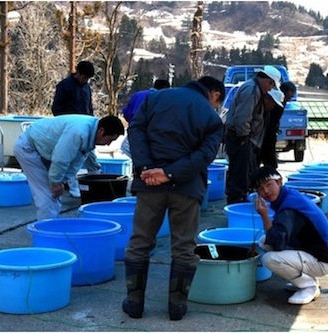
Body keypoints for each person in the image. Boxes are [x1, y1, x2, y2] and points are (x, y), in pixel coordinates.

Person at [122, 76, 225, 321]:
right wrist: (170, 173)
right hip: (186, 188)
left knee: (140, 242)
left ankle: (134, 303)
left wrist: (148, 168)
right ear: (215, 94)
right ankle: (177, 307)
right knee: (183, 247)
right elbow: (205, 156)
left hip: (148, 184)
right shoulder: (211, 116)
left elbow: (135, 130)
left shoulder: (155, 97)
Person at [251, 166, 328, 305]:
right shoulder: (287, 196)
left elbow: (277, 244)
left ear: (279, 181)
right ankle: (306, 279)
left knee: (270, 259)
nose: (266, 191)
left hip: (322, 260)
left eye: (269, 185)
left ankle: (309, 287)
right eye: (260, 189)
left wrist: (264, 215)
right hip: (316, 252)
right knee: (264, 241)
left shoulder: (289, 208)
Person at [13, 115, 124, 220]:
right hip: (28, 148)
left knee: (54, 195)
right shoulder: (79, 132)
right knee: (47, 195)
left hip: (43, 150)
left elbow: (77, 161)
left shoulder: (90, 132)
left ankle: (52, 226)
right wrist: (55, 182)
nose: (109, 144)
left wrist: (61, 181)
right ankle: (47, 232)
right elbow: (61, 158)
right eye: (110, 140)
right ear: (101, 131)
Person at [224, 65, 282, 205]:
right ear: (267, 81)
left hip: (244, 138)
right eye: (271, 86)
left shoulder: (255, 89)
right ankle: (236, 203)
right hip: (240, 138)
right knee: (239, 175)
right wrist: (244, 138)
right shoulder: (251, 90)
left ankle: (239, 199)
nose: (269, 89)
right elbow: (243, 117)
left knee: (244, 173)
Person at [51, 60, 101, 198]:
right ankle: (73, 187)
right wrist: (67, 123)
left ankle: (97, 182)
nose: (85, 81)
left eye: (88, 79)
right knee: (71, 159)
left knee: (91, 157)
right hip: (70, 129)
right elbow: (56, 108)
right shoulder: (64, 86)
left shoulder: (86, 88)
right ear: (77, 73)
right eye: (84, 77)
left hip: (88, 129)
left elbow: (89, 107)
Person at [120, 79, 171, 157]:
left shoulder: (138, 94)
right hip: (146, 136)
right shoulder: (159, 98)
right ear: (165, 88)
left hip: (132, 133)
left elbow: (126, 112)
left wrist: (132, 123)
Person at [260, 81, 297, 168]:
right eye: (291, 92)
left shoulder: (283, 102)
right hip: (267, 132)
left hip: (272, 131)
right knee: (268, 157)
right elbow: (271, 119)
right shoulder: (277, 102)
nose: (292, 95)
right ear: (286, 92)